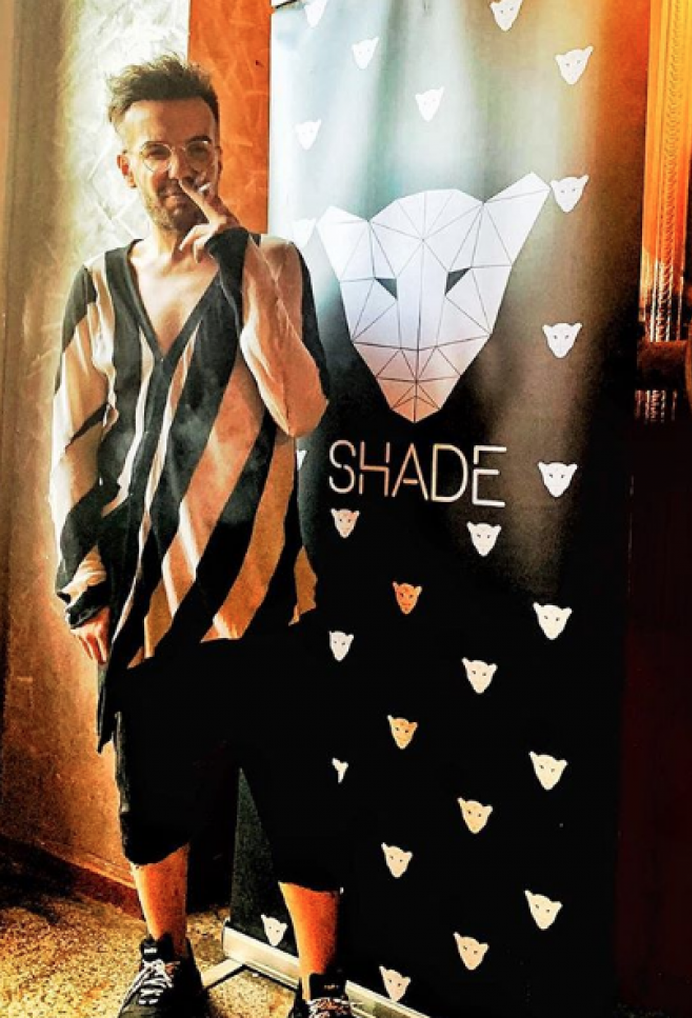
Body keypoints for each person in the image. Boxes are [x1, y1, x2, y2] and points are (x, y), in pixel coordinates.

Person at [49, 53, 351, 1018]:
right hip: (148, 598)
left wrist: (244, 272)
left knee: (301, 798)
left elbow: (301, 410)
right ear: (126, 165)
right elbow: (72, 445)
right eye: (156, 152)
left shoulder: (275, 261)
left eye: (197, 148)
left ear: (220, 154)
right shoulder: (99, 287)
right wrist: (84, 583)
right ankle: (167, 962)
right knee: (151, 799)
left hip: (268, 594)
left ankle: (322, 989)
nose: (179, 169)